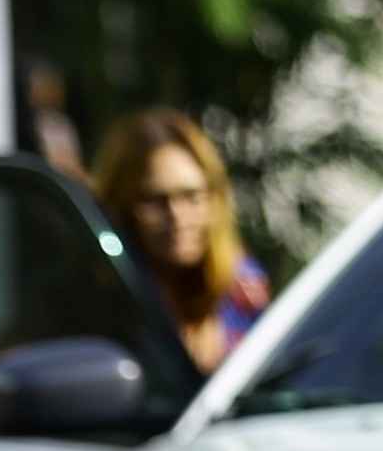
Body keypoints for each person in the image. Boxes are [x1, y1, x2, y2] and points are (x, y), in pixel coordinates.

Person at [93, 107, 270, 373]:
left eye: (192, 196)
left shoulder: (244, 289)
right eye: (155, 200)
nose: (177, 215)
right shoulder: (98, 305)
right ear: (122, 206)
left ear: (215, 198)